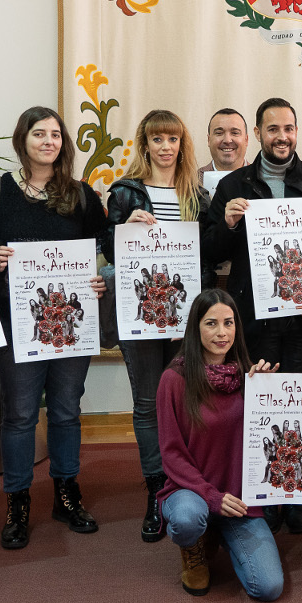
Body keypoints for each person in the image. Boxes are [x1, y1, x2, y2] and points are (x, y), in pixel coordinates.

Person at [0, 106, 107, 549]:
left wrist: (100, 278)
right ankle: (18, 501)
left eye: (56, 135)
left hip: (71, 325)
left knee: (66, 410)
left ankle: (66, 492)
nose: (49, 141)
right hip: (16, 324)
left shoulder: (81, 195)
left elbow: (104, 249)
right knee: (21, 414)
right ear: (21, 139)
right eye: (39, 134)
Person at [203, 97, 302, 535]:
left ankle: (295, 495)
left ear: (296, 132)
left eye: (289, 128)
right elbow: (210, 252)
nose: (282, 136)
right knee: (259, 402)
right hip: (253, 316)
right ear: (258, 135)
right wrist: (225, 223)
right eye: (273, 129)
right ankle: (264, 489)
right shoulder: (233, 185)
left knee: (299, 400)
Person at [101, 109, 214, 544]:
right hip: (140, 314)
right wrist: (123, 230)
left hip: (185, 319)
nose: (165, 147)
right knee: (148, 403)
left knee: (186, 400)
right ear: (144, 144)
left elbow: (207, 259)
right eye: (157, 139)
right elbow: (107, 252)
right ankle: (156, 489)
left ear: (182, 145)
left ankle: (182, 481)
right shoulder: (125, 193)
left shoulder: (197, 197)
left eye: (172, 139)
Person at [156, 288, 282, 599]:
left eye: (229, 323)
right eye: (211, 323)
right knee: (187, 519)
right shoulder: (174, 379)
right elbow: (172, 454)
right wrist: (211, 497)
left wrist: (268, 393)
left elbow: (272, 439)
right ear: (196, 328)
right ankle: (193, 544)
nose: (221, 332)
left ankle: (217, 531)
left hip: (238, 501)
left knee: (268, 588)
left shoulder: (248, 377)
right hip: (191, 492)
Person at [199, 107, 249, 177]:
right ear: (209, 140)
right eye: (219, 133)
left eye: (235, 133)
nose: (227, 140)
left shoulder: (264, 180)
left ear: (246, 140)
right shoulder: (190, 183)